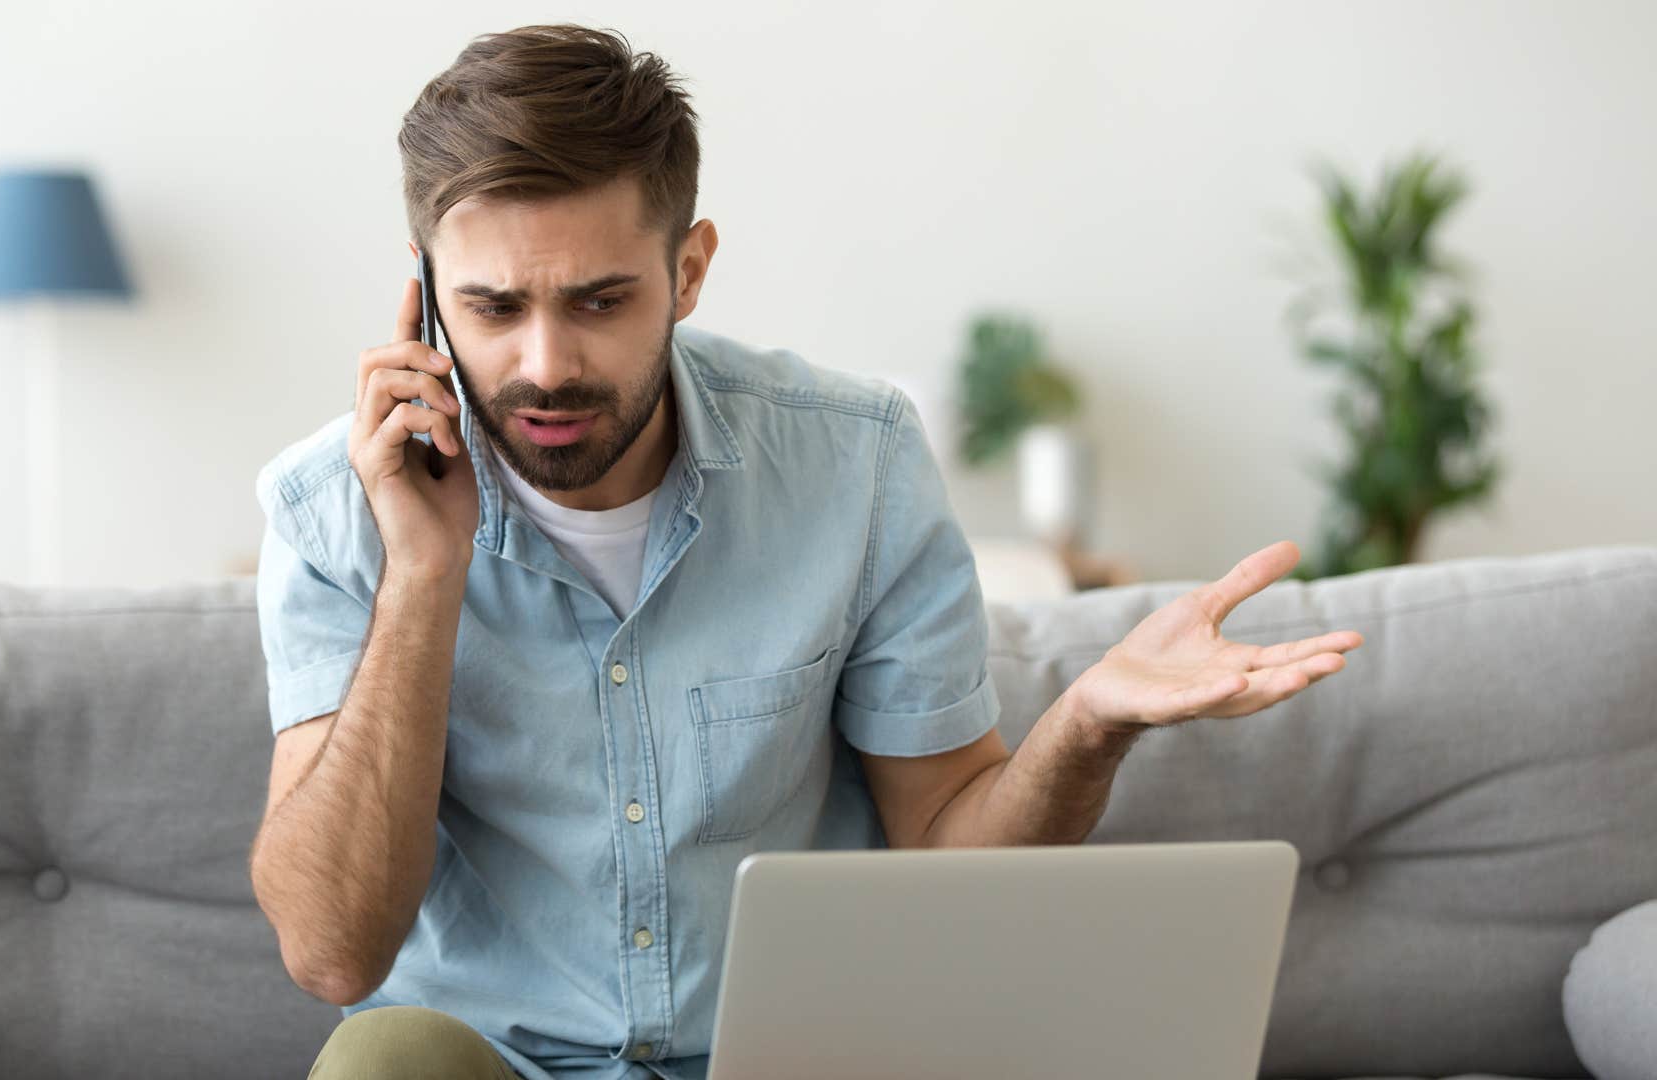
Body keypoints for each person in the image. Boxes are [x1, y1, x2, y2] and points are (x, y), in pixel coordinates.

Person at [247, 23, 1364, 1080]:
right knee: (384, 1061)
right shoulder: (332, 509)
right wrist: (424, 575)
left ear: (688, 271)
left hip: (794, 1055)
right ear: (425, 295)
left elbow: (947, 845)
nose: (545, 365)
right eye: (493, 308)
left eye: (599, 301)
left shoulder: (854, 463)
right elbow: (334, 956)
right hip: (497, 1061)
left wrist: (1088, 725)